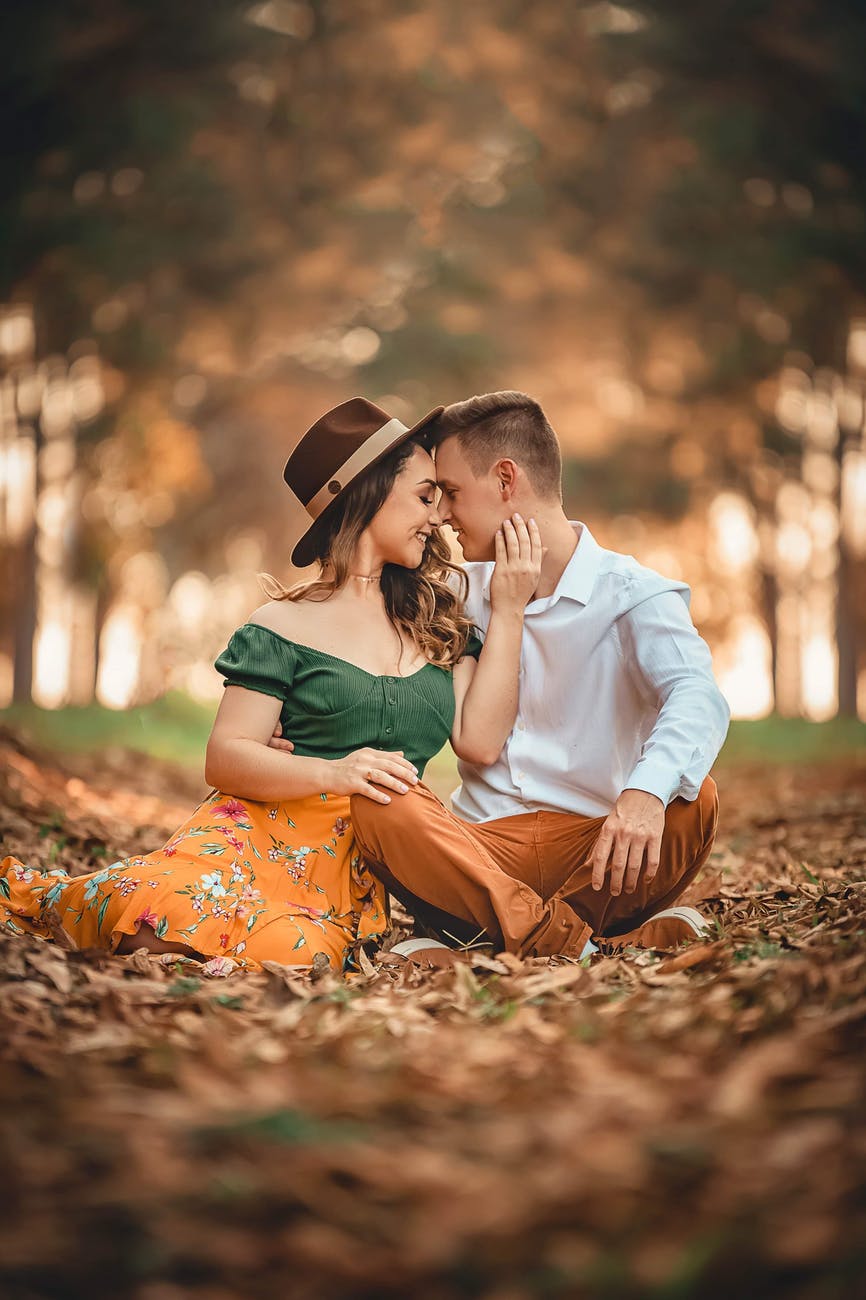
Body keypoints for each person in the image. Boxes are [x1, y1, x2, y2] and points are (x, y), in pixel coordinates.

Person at [0, 397, 550, 973]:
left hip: (348, 862)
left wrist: (510, 608)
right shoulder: (280, 627)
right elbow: (225, 757)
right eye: (423, 495)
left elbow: (480, 741)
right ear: (368, 495)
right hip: (248, 834)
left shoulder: (442, 625)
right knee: (151, 915)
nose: (438, 516)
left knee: (298, 954)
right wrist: (332, 772)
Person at [298, 390, 731, 960]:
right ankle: (586, 945)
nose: (443, 515)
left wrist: (644, 793)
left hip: (598, 850)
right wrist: (299, 728)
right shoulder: (452, 594)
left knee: (692, 797)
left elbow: (696, 694)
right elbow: (366, 665)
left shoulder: (631, 595)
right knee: (382, 803)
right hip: (478, 849)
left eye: (450, 492)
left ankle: (494, 941)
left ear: (506, 481)